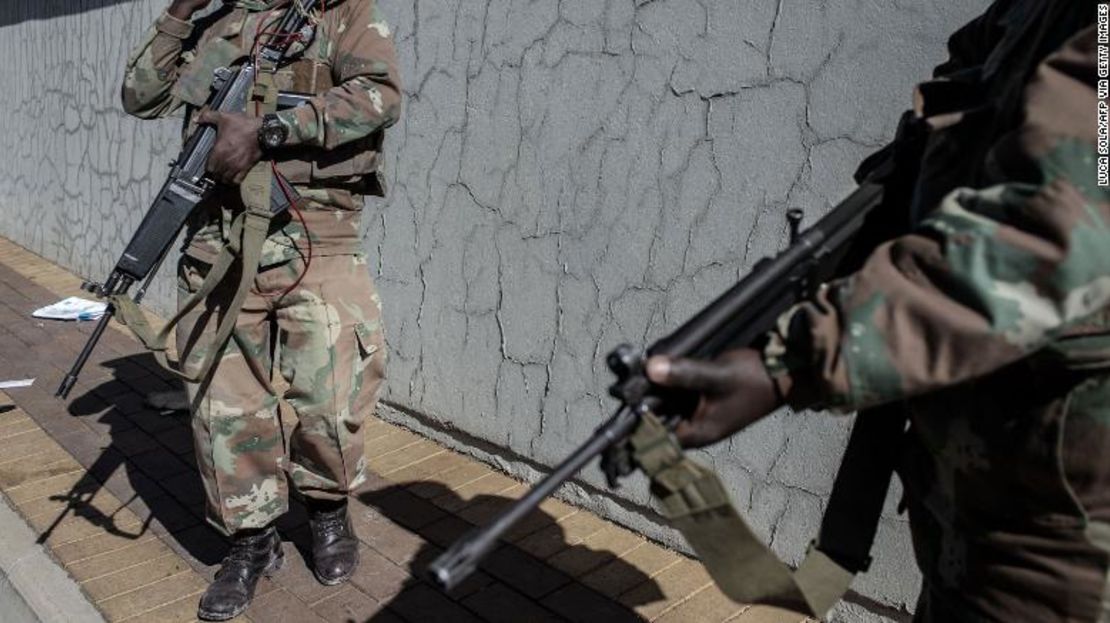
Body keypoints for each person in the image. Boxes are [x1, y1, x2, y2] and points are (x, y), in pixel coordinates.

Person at [644, 2, 1110, 621]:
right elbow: (966, 85)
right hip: (983, 498)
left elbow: (1061, 234)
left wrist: (790, 362)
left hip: (1065, 538)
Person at [120, 0, 401, 619]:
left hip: (317, 233)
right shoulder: (214, 20)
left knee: (330, 398)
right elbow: (141, 96)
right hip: (217, 240)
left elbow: (380, 96)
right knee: (225, 405)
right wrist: (180, 12)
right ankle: (251, 538)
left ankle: (328, 511)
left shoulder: (343, 14)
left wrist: (272, 132)